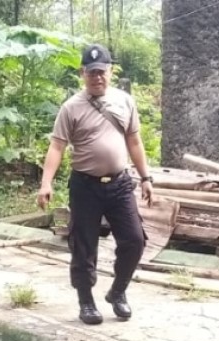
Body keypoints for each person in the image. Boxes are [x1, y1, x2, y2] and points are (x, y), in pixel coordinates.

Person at [38, 44, 154, 325]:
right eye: (91, 73)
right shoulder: (71, 107)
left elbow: (134, 141)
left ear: (110, 72)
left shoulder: (125, 101)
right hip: (85, 186)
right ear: (83, 73)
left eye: (101, 72)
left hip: (120, 184)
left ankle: (118, 291)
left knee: (134, 240)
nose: (97, 77)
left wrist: (146, 177)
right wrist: (46, 183)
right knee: (84, 245)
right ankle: (86, 301)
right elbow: (57, 147)